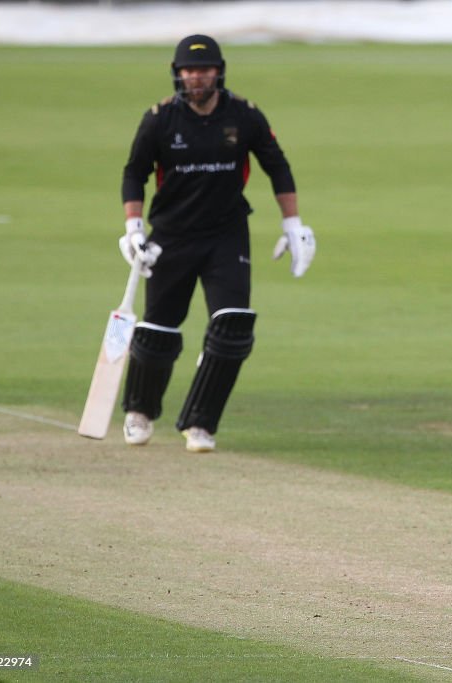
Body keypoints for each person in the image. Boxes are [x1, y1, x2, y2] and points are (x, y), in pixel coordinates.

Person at [118, 34, 315, 452]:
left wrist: (293, 222)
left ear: (218, 72)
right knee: (158, 332)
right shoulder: (159, 120)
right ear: (178, 74)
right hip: (171, 235)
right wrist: (134, 229)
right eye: (189, 70)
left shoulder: (244, 115)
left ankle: (200, 425)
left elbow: (277, 166)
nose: (197, 77)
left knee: (232, 328)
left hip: (226, 234)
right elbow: (135, 173)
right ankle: (139, 411)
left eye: (204, 69)